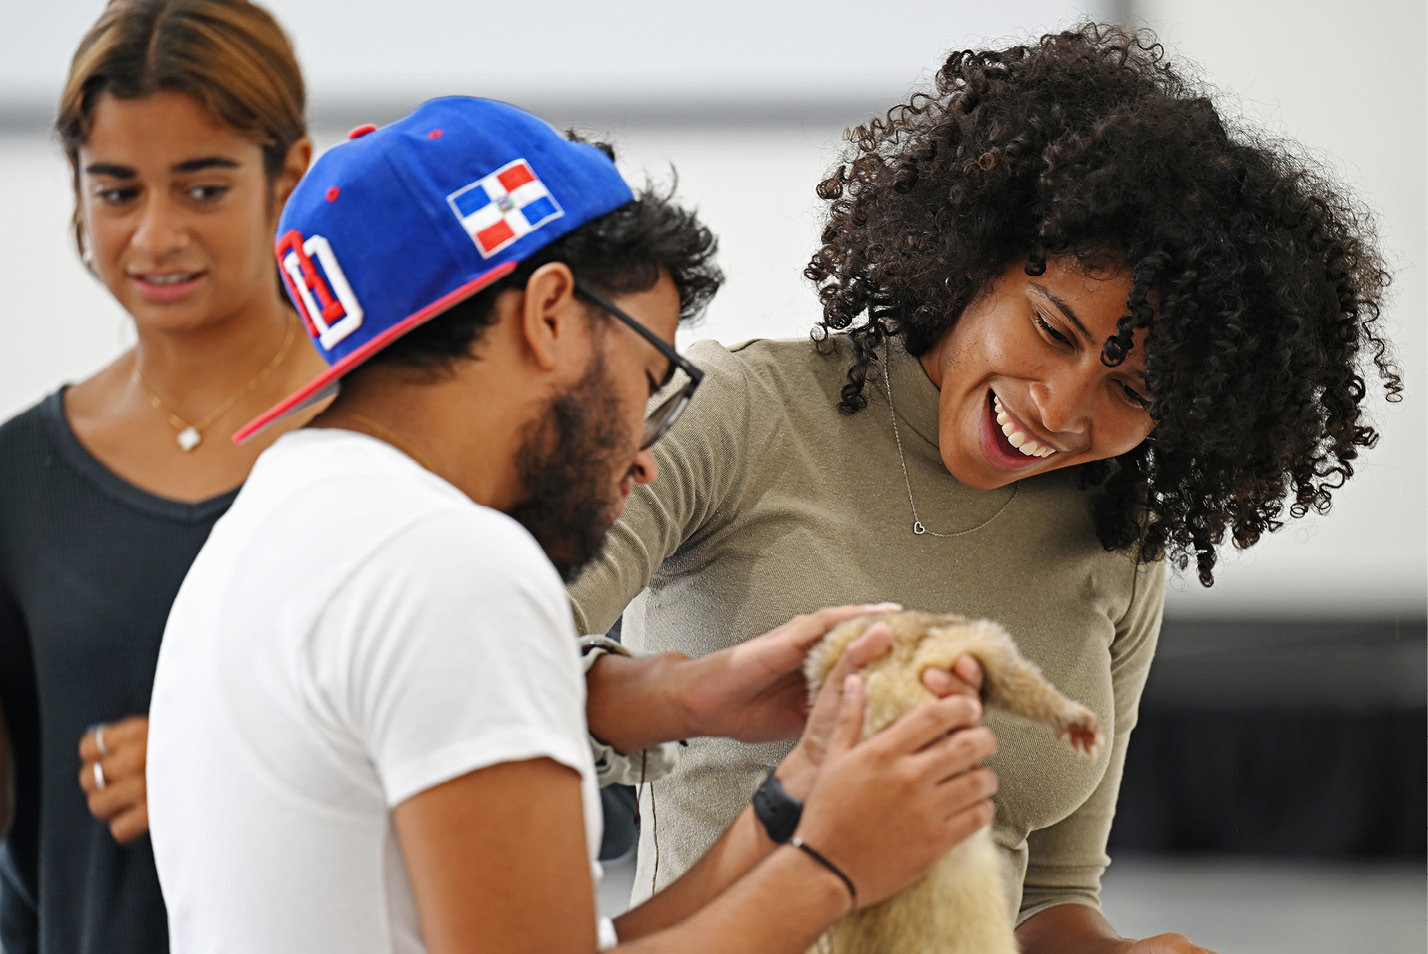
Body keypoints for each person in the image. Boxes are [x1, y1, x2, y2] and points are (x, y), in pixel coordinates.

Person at [566, 23, 1400, 954]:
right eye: (1051, 331)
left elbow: (1048, 898)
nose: (1061, 409)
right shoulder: (741, 413)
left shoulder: (1120, 539)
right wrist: (690, 695)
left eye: (1132, 393)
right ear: (973, 259)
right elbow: (504, 655)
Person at [145, 95, 1000, 954]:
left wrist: (789, 811)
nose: (645, 457)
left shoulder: (273, 525)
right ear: (548, 312)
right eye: (647, 376)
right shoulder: (451, 564)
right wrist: (839, 868)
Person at [0, 1, 324, 951]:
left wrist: (234, 758)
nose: (154, 237)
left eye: (202, 189)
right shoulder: (19, 477)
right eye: (116, 191)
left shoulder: (393, 432)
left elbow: (513, 727)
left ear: (288, 176)